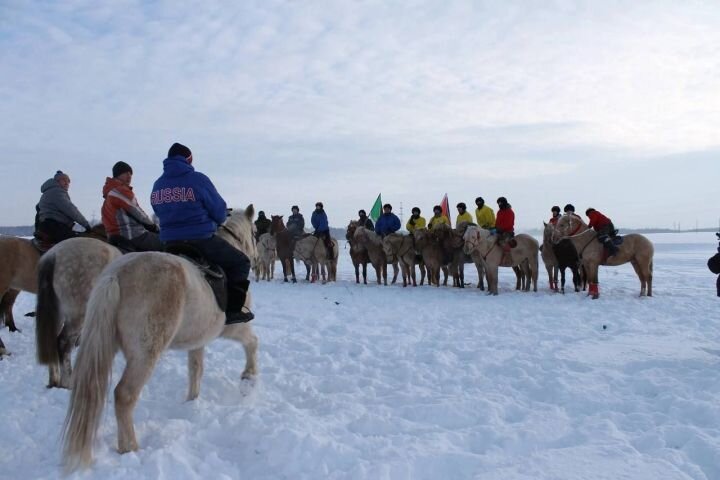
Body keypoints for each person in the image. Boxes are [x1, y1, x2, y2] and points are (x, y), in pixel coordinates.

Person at [151, 142, 253, 324]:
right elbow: (219, 211)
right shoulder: (198, 179)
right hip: (199, 239)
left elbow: (158, 212)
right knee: (240, 262)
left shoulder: (158, 184)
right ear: (188, 159)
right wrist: (215, 220)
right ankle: (232, 311)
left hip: (168, 242)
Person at [101, 161, 162, 252]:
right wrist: (154, 227)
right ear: (118, 175)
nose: (129, 176)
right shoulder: (120, 190)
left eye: (130, 174)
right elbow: (138, 212)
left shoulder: (108, 196)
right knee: (167, 243)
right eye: (126, 173)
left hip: (114, 237)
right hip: (132, 235)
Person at [35, 170, 92, 244]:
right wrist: (86, 225)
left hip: (47, 226)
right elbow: (71, 209)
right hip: (55, 227)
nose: (67, 183)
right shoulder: (57, 192)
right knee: (80, 243)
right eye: (64, 180)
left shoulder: (48, 192)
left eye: (68, 181)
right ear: (57, 181)